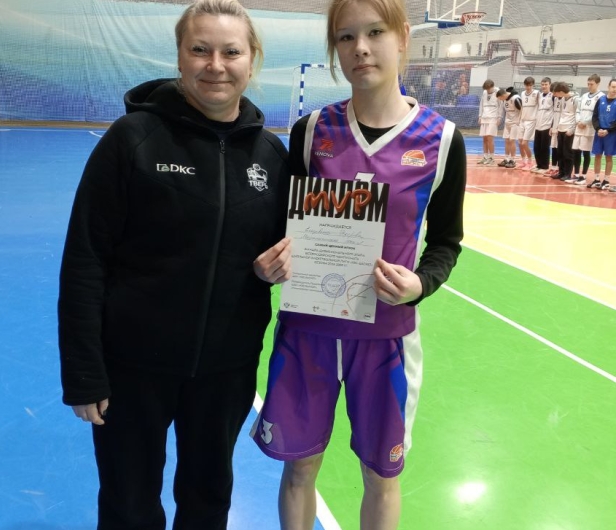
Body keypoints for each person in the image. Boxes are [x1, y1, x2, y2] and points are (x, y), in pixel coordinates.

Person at [57, 1, 292, 528]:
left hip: (226, 370)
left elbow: (288, 246)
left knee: (208, 496)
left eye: (231, 52)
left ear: (251, 60)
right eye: (200, 49)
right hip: (132, 367)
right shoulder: (132, 139)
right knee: (129, 502)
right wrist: (84, 371)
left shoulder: (271, 157)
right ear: (180, 57)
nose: (216, 65)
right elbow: (85, 258)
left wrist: (282, 260)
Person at [251, 1, 466, 529]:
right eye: (346, 37)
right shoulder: (310, 131)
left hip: (386, 338)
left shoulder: (441, 141)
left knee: (381, 476)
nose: (361, 49)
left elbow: (447, 242)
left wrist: (421, 284)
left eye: (375, 33)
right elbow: (282, 226)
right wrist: (270, 262)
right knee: (300, 468)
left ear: (403, 38)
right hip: (308, 331)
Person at [569, 74, 603, 185]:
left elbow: (596, 114)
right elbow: (578, 110)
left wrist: (585, 122)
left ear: (597, 84)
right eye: (588, 84)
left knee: (586, 152)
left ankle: (583, 176)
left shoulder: (601, 97)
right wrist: (578, 120)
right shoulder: (584, 96)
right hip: (579, 126)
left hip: (589, 128)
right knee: (576, 150)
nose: (589, 86)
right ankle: (576, 174)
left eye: (591, 84)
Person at [589, 78, 616, 191]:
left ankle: (606, 180)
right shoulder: (601, 100)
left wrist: (608, 130)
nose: (615, 89)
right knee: (597, 155)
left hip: (611, 134)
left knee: (609, 157)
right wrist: (598, 128)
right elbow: (595, 116)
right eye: (613, 87)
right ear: (608, 87)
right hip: (599, 133)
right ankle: (596, 179)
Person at [550, 82, 579, 182]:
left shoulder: (575, 99)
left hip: (569, 130)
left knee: (568, 153)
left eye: (556, 93)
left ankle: (567, 173)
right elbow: (562, 114)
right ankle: (561, 172)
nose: (555, 95)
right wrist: (557, 127)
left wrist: (572, 129)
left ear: (561, 92)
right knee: (560, 152)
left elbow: (577, 115)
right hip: (561, 129)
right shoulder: (562, 99)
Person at [477, 79, 502, 165]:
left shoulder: (498, 92)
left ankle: (491, 158)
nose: (487, 90)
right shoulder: (484, 92)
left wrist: (499, 117)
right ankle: (485, 157)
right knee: (484, 138)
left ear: (492, 86)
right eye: (486, 89)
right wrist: (480, 116)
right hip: (484, 117)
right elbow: (481, 105)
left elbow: (500, 106)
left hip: (493, 118)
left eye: (489, 89)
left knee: (490, 138)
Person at [517, 77, 540, 170]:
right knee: (519, 142)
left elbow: (540, 105)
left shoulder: (537, 93)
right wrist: (519, 119)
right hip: (523, 120)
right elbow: (522, 107)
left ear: (533, 85)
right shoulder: (522, 93)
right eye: (527, 85)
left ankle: (530, 162)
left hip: (531, 121)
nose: (528, 87)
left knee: (524, 143)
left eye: (530, 85)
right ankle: (524, 161)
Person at [532, 77, 552, 175]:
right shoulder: (539, 95)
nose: (544, 86)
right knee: (536, 147)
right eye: (542, 84)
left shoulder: (552, 96)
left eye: (546, 84)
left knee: (544, 147)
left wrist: (552, 126)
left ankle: (545, 166)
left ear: (550, 85)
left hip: (547, 125)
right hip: (538, 125)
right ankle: (539, 165)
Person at [497, 87, 521, 168]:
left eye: (500, 98)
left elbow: (522, 110)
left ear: (503, 95)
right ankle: (506, 158)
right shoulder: (505, 100)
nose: (501, 100)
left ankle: (513, 160)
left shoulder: (516, 98)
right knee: (507, 140)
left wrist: (519, 121)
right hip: (507, 123)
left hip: (515, 123)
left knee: (512, 141)